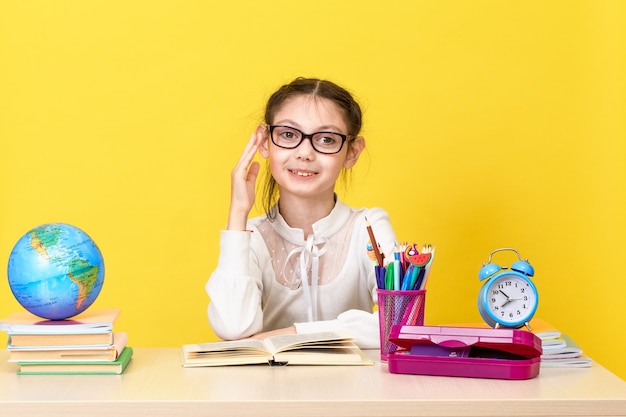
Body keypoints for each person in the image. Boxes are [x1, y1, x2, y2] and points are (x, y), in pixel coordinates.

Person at [206, 77, 397, 348]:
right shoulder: (253, 236)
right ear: (264, 142)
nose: (305, 152)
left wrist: (292, 333)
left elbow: (398, 324)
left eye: (327, 139)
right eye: (288, 135)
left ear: (352, 152)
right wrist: (238, 214)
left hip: (356, 389)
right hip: (268, 388)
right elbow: (232, 327)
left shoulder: (368, 227)